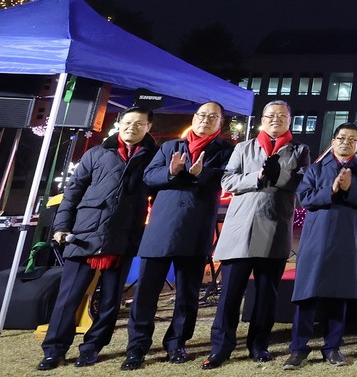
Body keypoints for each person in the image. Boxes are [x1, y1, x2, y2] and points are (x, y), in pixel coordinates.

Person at [37, 107, 158, 371]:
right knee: (68, 296)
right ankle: (54, 350)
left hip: (123, 235)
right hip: (83, 233)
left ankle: (92, 347)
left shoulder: (154, 157)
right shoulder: (96, 153)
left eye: (139, 123)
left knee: (110, 300)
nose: (132, 127)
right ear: (119, 123)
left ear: (148, 127)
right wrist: (61, 226)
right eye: (127, 122)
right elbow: (73, 191)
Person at [122, 101, 233, 370]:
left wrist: (201, 173)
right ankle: (136, 347)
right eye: (202, 115)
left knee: (187, 294)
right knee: (145, 293)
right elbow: (149, 176)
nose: (206, 120)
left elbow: (226, 178)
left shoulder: (226, 150)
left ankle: (177, 343)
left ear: (220, 123)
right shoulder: (170, 146)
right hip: (161, 228)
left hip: (196, 229)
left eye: (213, 117)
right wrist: (171, 172)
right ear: (194, 118)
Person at [207, 100, 311, 368]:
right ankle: (221, 347)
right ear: (262, 120)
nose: (276, 119)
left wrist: (279, 176)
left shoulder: (299, 150)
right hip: (241, 229)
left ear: (290, 120)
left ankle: (259, 345)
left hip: (275, 228)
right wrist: (258, 176)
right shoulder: (243, 147)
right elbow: (227, 180)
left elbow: (302, 184)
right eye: (270, 115)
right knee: (230, 294)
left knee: (267, 294)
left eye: (282, 115)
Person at [284, 123, 357, 369]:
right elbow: (305, 198)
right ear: (333, 141)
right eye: (342, 138)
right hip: (315, 238)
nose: (346, 142)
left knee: (339, 294)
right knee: (306, 295)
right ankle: (298, 348)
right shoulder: (315, 168)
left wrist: (349, 188)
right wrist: (332, 190)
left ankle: (332, 347)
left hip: (345, 238)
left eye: (352, 139)